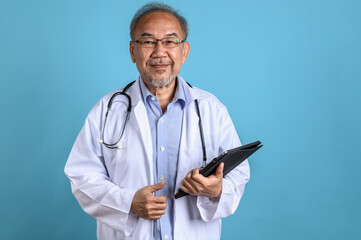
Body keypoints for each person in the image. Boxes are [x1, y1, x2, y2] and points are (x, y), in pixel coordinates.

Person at [64, 2, 250, 240]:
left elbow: (238, 173)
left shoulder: (211, 109)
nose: (159, 52)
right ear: (133, 51)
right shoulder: (107, 110)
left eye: (170, 41)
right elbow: (81, 176)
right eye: (148, 41)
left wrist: (217, 190)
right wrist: (128, 202)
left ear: (185, 51)